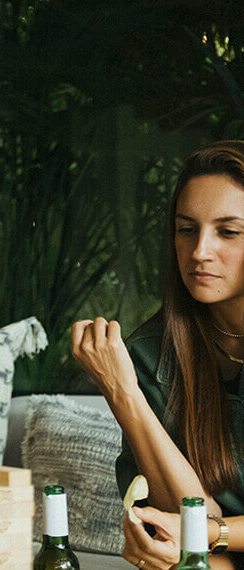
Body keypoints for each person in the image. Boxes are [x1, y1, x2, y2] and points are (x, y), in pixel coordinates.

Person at [71, 141, 244, 570]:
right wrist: (123, 392)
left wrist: (205, 534)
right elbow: (191, 520)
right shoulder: (151, 354)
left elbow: (202, 528)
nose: (200, 250)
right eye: (187, 229)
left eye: (228, 231)